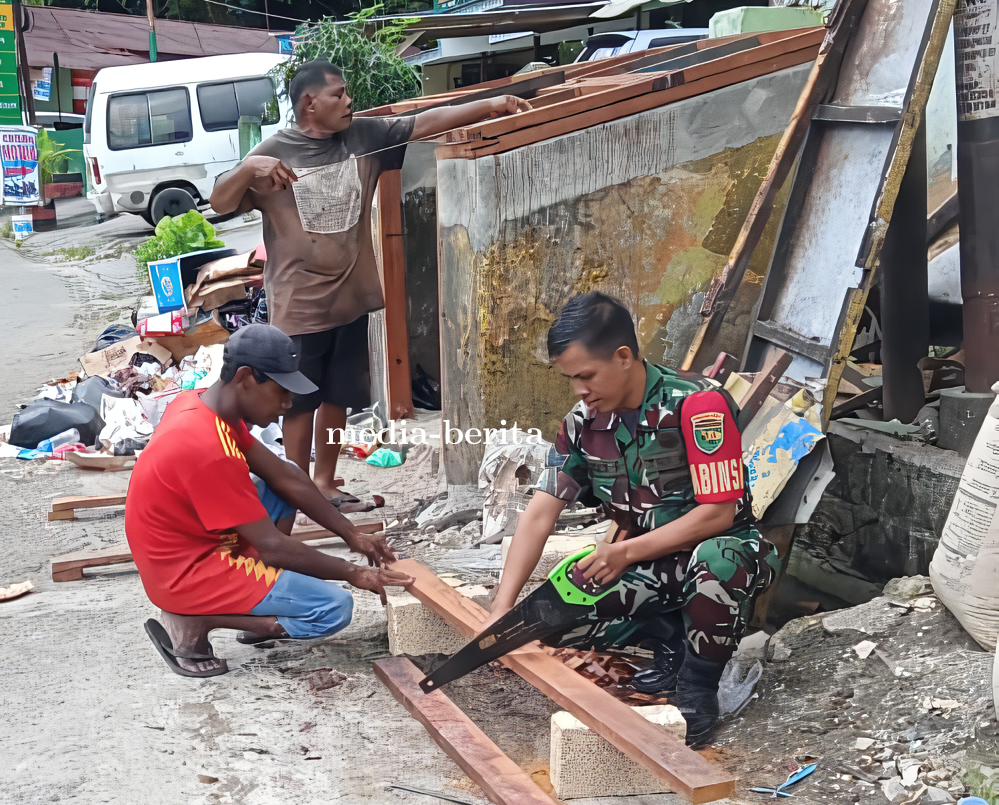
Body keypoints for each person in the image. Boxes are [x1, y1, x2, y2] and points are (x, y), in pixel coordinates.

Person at [210, 60, 531, 508]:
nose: (348, 101)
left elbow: (424, 122)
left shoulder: (364, 137)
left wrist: (489, 104)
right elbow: (219, 201)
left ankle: (324, 482)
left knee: (339, 395)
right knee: (299, 401)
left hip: (351, 299)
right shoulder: (273, 152)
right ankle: (298, 491)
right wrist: (250, 170)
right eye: (338, 94)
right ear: (310, 102)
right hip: (298, 307)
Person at [482, 292, 780, 746]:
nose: (579, 390)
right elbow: (541, 513)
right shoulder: (581, 424)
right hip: (646, 562)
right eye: (570, 379)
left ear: (623, 357)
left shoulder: (699, 406)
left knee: (719, 562)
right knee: (549, 617)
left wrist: (624, 552)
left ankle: (698, 687)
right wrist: (503, 610)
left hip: (719, 553)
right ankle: (671, 641)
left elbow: (718, 513)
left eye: (585, 375)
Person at [125, 323, 414, 678]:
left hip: (192, 544)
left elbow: (285, 475)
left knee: (287, 475)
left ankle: (251, 604)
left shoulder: (204, 405)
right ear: (246, 378)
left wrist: (352, 535)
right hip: (184, 571)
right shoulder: (204, 447)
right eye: (281, 391)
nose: (287, 405)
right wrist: (355, 573)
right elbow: (272, 547)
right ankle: (195, 619)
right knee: (333, 608)